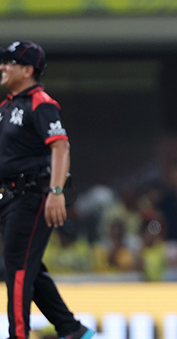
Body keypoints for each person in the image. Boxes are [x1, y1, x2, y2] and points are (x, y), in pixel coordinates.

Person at [0, 41, 94, 339]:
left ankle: (18, 335)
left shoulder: (41, 103)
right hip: (9, 197)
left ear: (28, 70)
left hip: (31, 195)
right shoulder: (7, 106)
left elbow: (60, 146)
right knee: (25, 264)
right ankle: (72, 329)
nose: (2, 67)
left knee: (17, 269)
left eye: (10, 63)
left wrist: (56, 191)